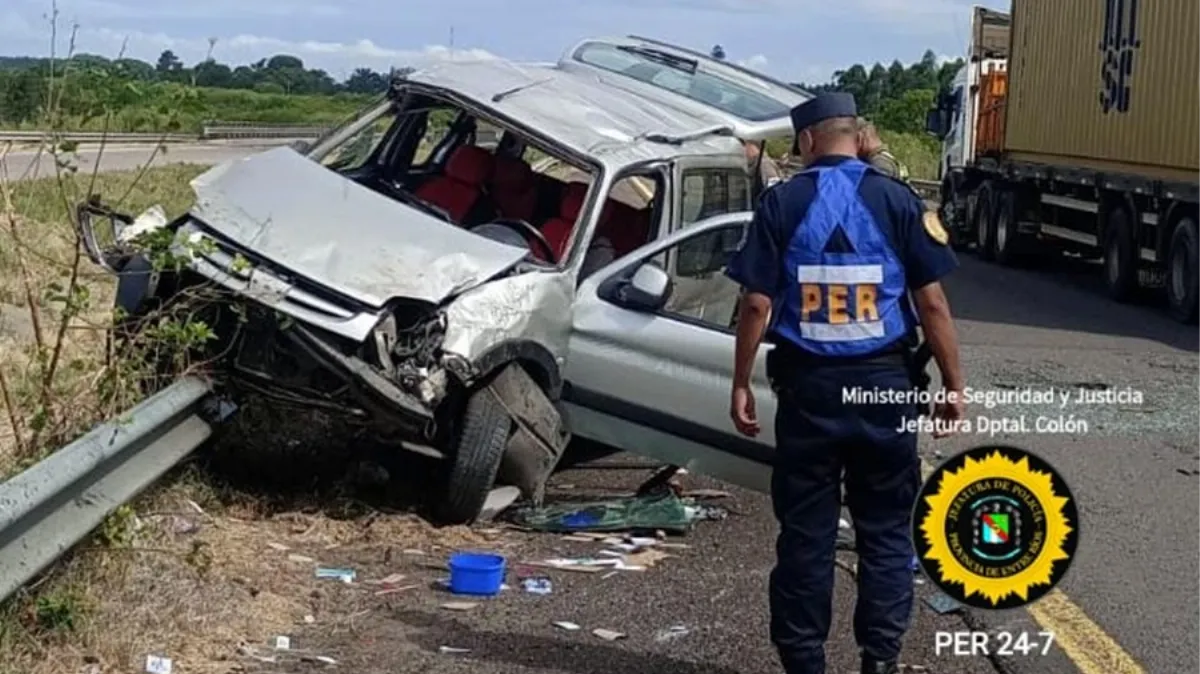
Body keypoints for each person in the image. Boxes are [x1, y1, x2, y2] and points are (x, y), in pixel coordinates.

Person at [724, 92, 966, 674]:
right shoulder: (898, 200)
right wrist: (954, 385)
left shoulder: (782, 203)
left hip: (810, 395)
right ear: (855, 135)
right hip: (884, 389)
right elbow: (931, 304)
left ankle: (804, 662)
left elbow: (756, 303)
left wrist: (739, 383)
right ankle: (879, 661)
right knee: (884, 535)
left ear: (807, 141)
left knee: (806, 536)